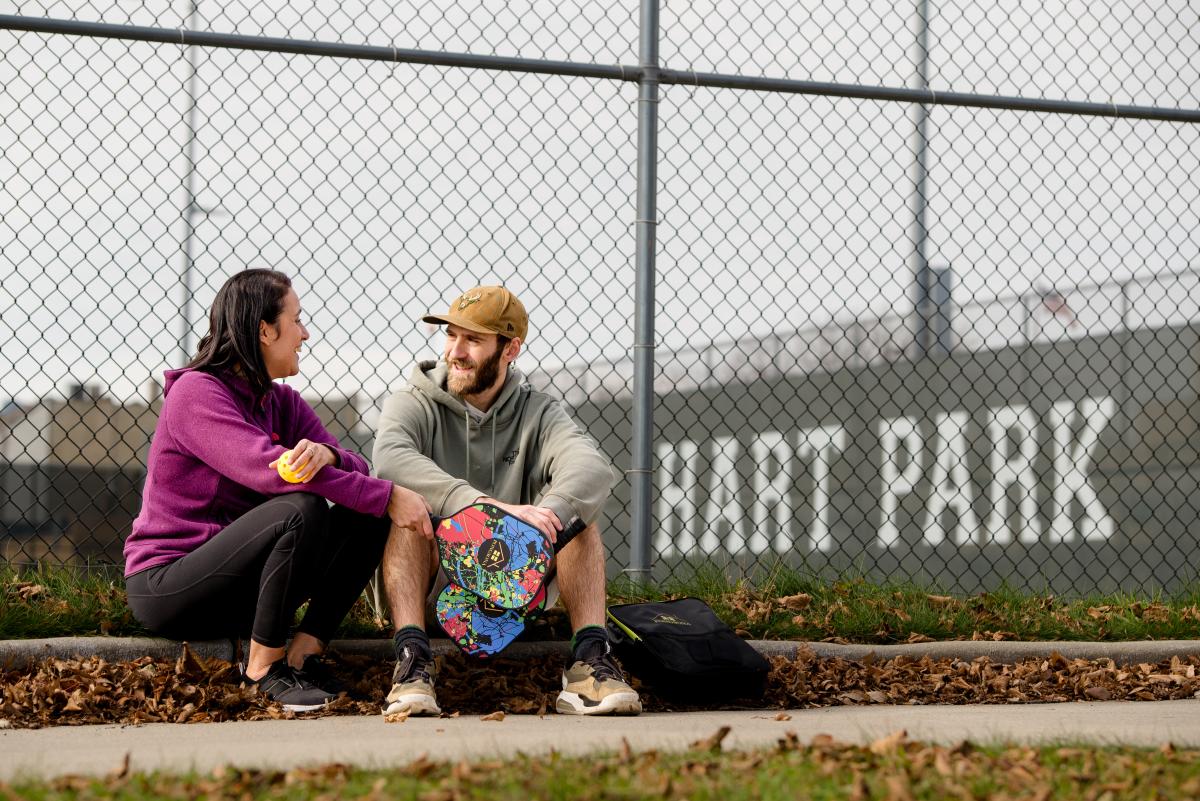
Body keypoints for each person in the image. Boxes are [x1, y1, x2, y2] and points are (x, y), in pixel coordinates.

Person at [123, 269, 430, 712]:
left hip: (239, 583)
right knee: (301, 507)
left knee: (365, 511)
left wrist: (330, 455)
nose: (305, 334)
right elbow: (270, 472)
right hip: (171, 583)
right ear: (265, 330)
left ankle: (302, 655)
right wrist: (388, 494)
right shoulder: (195, 394)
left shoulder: (282, 402)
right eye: (298, 320)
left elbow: (358, 465)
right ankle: (263, 667)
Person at [373, 285, 641, 716]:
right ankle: (412, 664)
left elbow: (591, 468)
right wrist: (484, 509)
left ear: (510, 348)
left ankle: (589, 664)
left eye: (473, 340)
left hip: (518, 583)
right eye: (451, 336)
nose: (455, 351)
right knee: (409, 507)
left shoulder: (537, 411)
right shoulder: (415, 400)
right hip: (439, 581)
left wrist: (548, 514)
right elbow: (390, 460)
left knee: (579, 519)